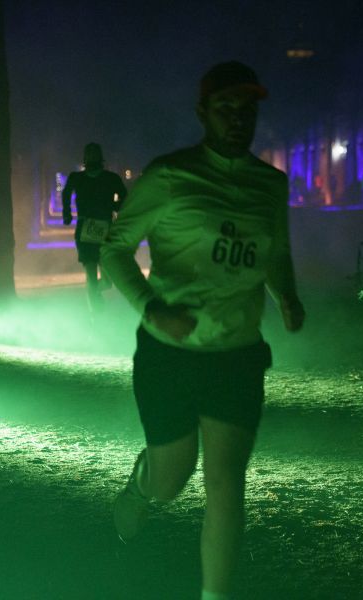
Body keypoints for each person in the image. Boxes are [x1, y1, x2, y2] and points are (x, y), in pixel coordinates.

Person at [101, 61, 305, 600]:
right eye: (225, 109)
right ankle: (142, 485)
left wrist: (286, 294)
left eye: (247, 110)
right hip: (170, 353)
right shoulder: (170, 176)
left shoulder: (270, 185)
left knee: (226, 484)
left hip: (237, 355)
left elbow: (276, 254)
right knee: (173, 478)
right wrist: (152, 309)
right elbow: (115, 249)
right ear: (202, 113)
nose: (238, 120)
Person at [61, 143, 128, 311]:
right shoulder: (79, 178)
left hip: (102, 229)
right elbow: (66, 193)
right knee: (92, 278)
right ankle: (94, 313)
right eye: (89, 154)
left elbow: (125, 196)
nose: (92, 157)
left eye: (94, 153)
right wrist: (67, 213)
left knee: (107, 281)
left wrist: (114, 207)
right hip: (89, 229)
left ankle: (94, 296)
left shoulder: (110, 178)